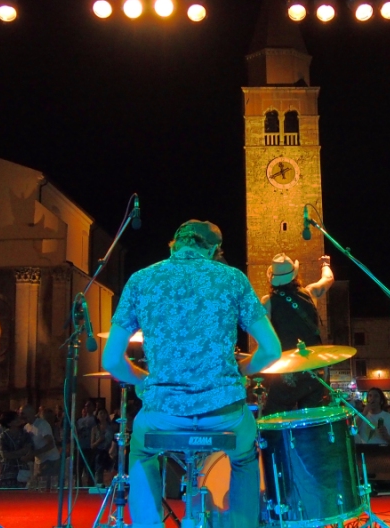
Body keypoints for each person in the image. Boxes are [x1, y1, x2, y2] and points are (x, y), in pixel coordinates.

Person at [101, 220, 282, 528]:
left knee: (142, 452)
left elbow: (111, 360)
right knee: (244, 458)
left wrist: (144, 380)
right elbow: (272, 350)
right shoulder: (232, 279)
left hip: (164, 414)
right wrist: (242, 369)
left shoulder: (141, 280)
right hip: (223, 413)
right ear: (213, 250)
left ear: (175, 244)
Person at [259, 253, 334, 416]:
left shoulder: (268, 302)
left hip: (288, 371)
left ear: (273, 278)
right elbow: (328, 279)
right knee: (312, 420)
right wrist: (325, 264)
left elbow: (264, 335)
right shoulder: (310, 293)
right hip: (313, 368)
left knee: (274, 417)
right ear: (295, 275)